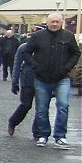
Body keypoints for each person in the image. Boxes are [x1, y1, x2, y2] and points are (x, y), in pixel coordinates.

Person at [26, 11, 81, 149]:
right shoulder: (38, 36)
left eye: (57, 21)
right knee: (41, 109)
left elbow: (76, 53)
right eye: (52, 21)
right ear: (48, 22)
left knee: (63, 106)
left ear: (61, 22)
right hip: (41, 78)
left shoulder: (68, 36)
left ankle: (60, 136)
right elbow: (26, 52)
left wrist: (67, 68)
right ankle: (43, 135)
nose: (55, 24)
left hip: (61, 78)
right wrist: (35, 66)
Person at [7, 35, 37, 136]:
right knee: (26, 105)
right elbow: (17, 64)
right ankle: (13, 122)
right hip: (27, 80)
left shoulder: (46, 47)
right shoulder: (23, 47)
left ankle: (37, 131)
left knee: (41, 107)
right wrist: (14, 81)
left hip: (43, 80)